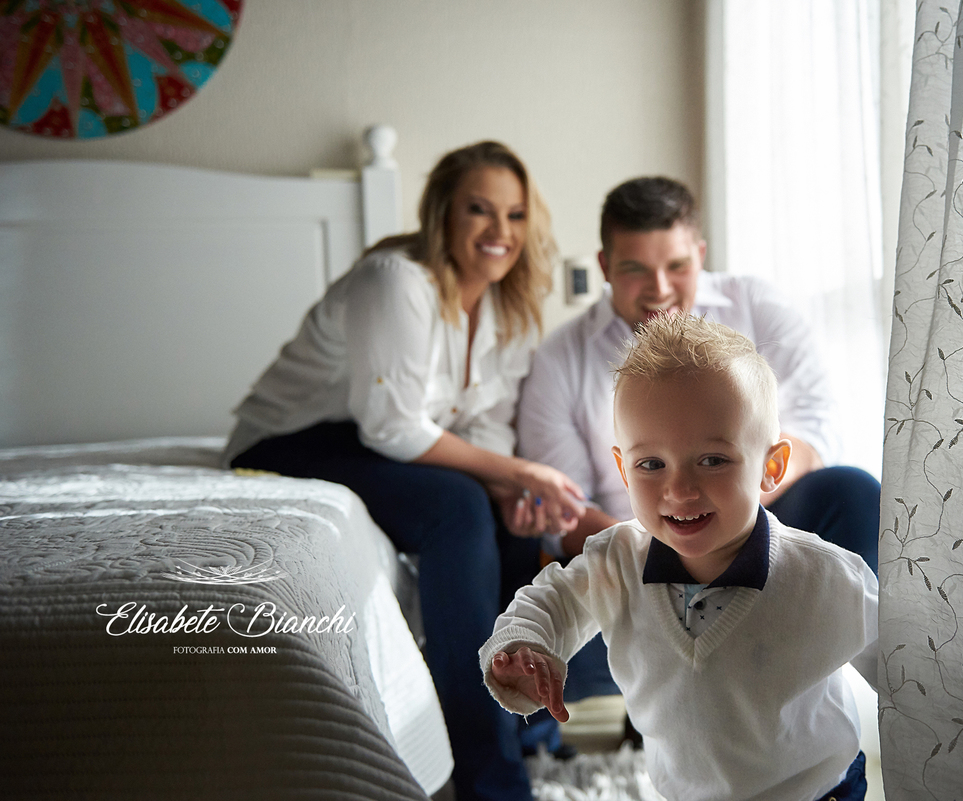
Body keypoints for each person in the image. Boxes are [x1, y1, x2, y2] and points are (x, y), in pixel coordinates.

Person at [223, 141, 586, 801]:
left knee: (509, 524)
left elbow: (483, 426)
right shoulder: (395, 280)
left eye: (514, 214)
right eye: (479, 210)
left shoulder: (510, 308)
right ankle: (488, 781)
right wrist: (515, 473)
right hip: (286, 442)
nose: (499, 231)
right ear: (443, 213)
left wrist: (512, 489)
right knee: (457, 506)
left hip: (380, 442)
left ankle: (524, 731)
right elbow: (389, 425)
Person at [482, 314, 880, 801]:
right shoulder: (617, 562)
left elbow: (916, 674)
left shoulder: (824, 577)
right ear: (623, 470)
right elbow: (551, 601)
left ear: (770, 467)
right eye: (651, 464)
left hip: (817, 791)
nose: (679, 489)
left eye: (712, 460)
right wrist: (525, 646)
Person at [516, 176, 881, 571]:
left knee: (852, 491)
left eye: (677, 266)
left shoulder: (756, 305)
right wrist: (667, 546)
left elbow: (817, 428)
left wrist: (731, 505)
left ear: (700, 254)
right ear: (604, 266)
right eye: (635, 269)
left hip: (763, 522)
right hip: (639, 557)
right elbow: (566, 507)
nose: (659, 288)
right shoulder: (560, 358)